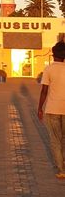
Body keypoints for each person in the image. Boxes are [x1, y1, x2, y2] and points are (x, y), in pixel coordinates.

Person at [37, 40, 65, 179]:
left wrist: (40, 108)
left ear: (54, 55)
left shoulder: (49, 69)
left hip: (53, 109)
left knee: (56, 140)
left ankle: (61, 170)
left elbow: (44, 91)